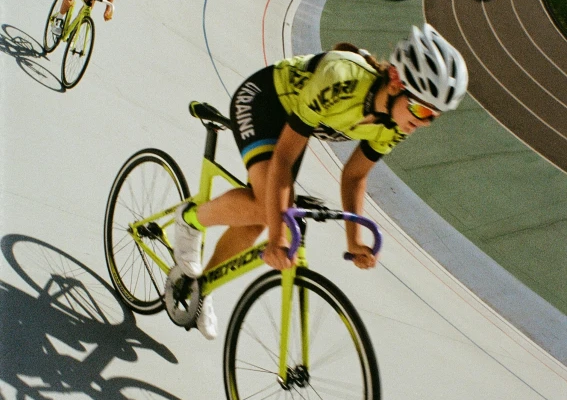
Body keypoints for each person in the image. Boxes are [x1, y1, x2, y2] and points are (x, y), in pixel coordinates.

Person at [175, 23, 468, 340]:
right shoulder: (340, 78)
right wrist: (277, 237)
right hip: (265, 100)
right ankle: (189, 220)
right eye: (421, 108)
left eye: (433, 116)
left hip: (298, 123)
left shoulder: (396, 124)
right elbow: (284, 159)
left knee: (268, 215)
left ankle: (199, 286)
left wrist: (354, 240)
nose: (422, 122)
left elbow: (355, 174)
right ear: (396, 82)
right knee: (267, 209)